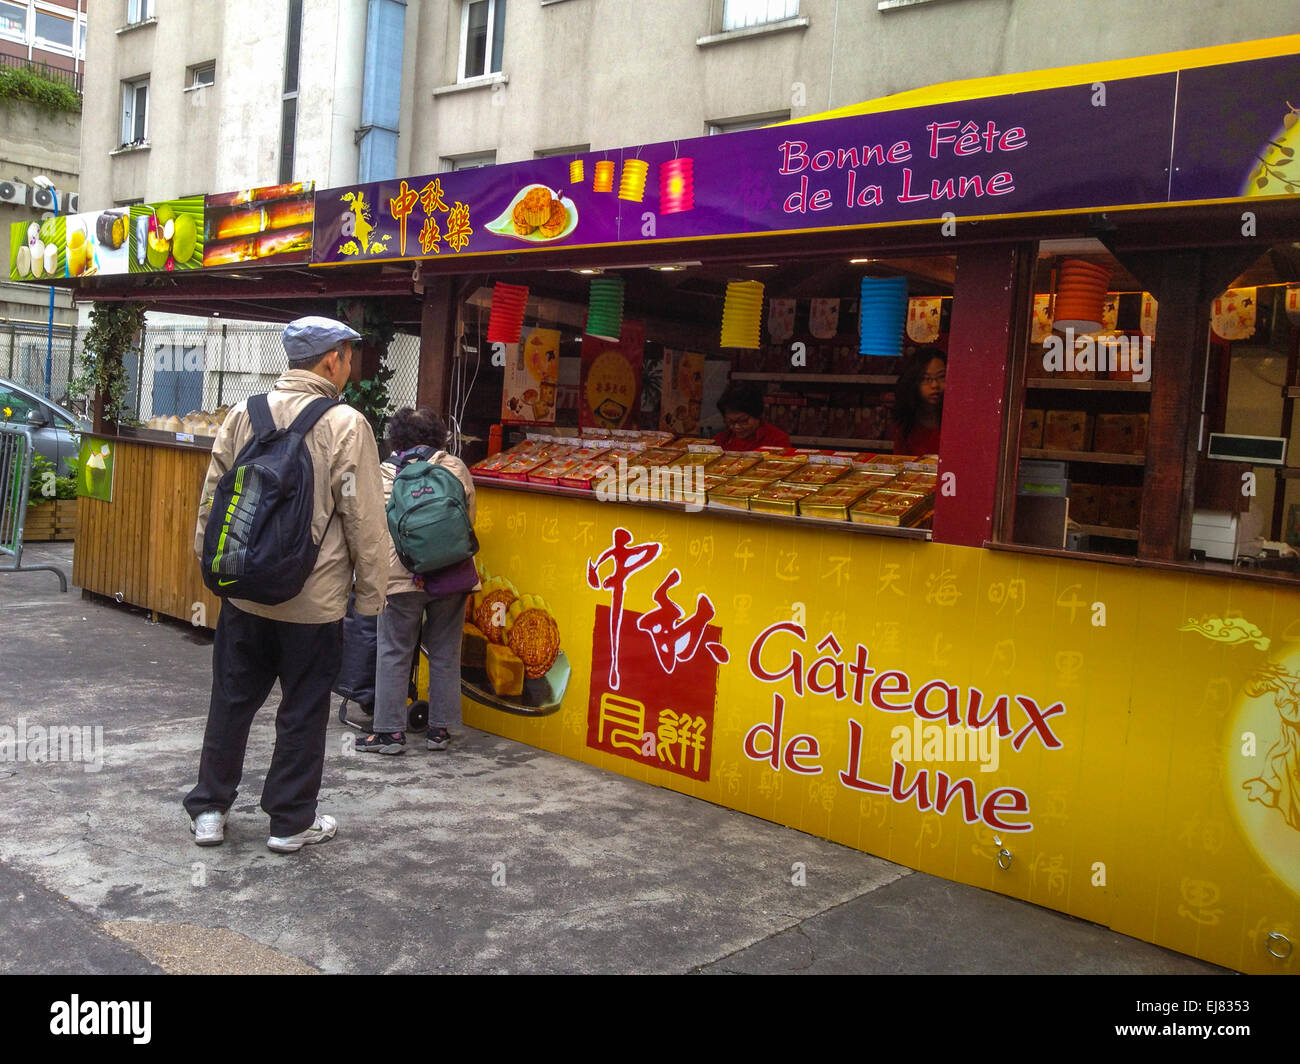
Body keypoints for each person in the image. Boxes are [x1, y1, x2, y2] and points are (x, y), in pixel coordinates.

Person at [185, 316, 388, 853]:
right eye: (349, 355)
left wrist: (214, 571)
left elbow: (213, 498)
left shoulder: (242, 414)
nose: (350, 365)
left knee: (230, 700)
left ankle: (209, 810)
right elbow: (365, 519)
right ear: (331, 361)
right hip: (312, 604)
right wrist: (370, 597)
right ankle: (289, 822)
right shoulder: (347, 424)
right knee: (302, 709)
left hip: (244, 593)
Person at [354, 407, 479, 755]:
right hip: (451, 575)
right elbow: (468, 520)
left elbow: (373, 528)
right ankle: (440, 730)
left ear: (397, 438)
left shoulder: (385, 472)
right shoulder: (455, 468)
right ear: (438, 437)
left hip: (399, 577)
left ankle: (390, 734)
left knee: (394, 651)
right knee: (444, 652)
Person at [891, 347, 946, 456]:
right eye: (926, 379)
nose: (935, 385)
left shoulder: (959, 421)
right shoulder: (905, 423)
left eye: (941, 377)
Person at [712, 383, 791, 451]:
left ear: (757, 415)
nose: (737, 427)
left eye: (743, 421)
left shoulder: (777, 440)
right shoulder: (720, 440)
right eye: (730, 421)